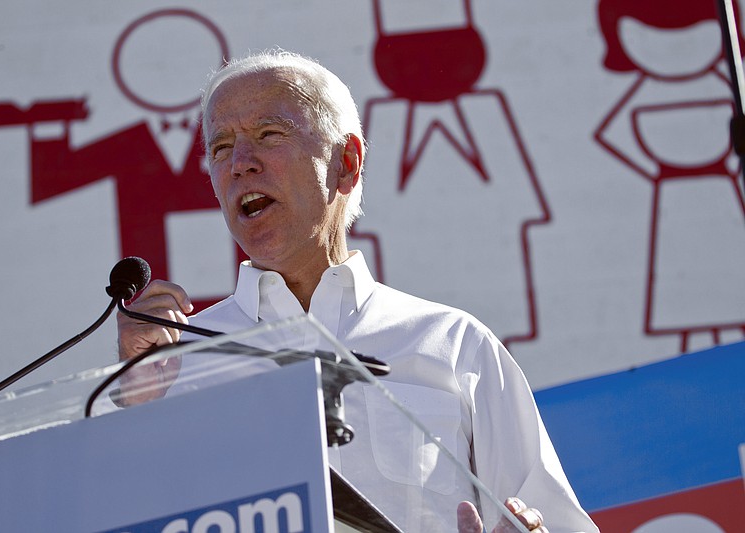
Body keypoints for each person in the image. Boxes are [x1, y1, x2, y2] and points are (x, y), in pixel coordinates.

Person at [116, 50, 598, 533]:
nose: (240, 163)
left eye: (269, 135)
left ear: (347, 162)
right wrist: (139, 413)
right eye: (221, 147)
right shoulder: (174, 366)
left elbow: (555, 523)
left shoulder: (454, 345)